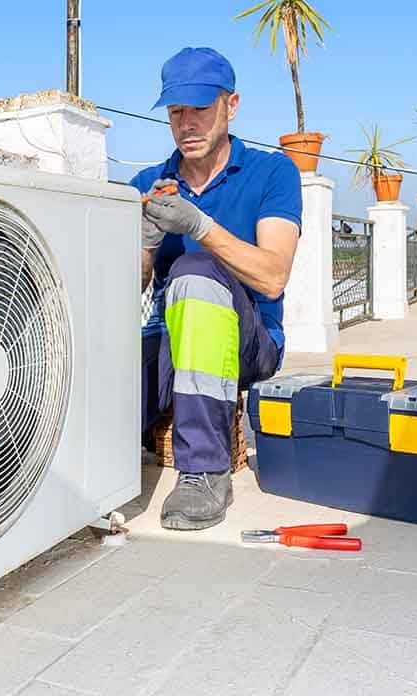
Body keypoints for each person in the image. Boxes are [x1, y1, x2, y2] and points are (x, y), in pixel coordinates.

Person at [132, 47, 302, 531]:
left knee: (195, 270)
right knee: (92, 379)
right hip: (170, 338)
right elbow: (128, 289)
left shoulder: (273, 173)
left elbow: (273, 275)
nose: (187, 123)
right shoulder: (149, 183)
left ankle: (205, 471)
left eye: (200, 109)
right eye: (176, 112)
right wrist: (144, 245)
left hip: (252, 343)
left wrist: (201, 225)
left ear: (232, 106)